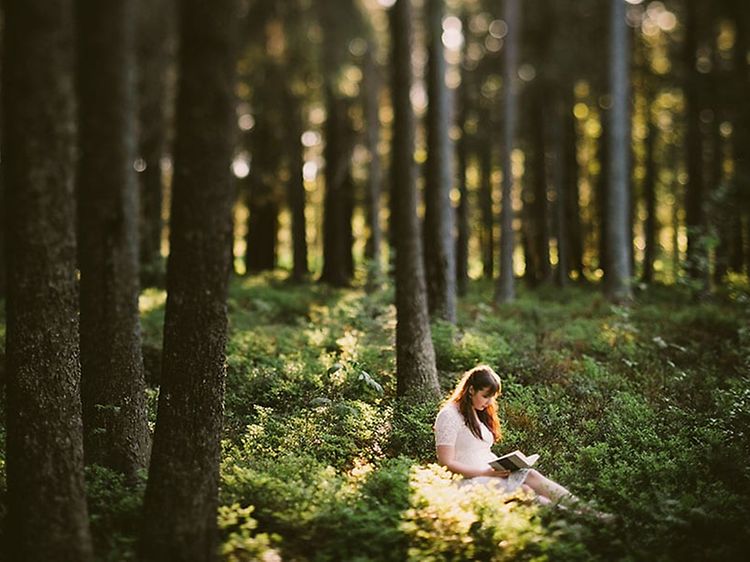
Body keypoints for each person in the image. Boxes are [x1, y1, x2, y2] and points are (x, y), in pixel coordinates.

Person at [434, 364, 575, 505]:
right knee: (524, 491)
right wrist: (484, 473)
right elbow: (445, 463)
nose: (489, 402)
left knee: (531, 474)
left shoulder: (475, 412)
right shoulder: (449, 415)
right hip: (469, 481)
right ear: (471, 390)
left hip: (491, 474)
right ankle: (577, 518)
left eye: (492, 397)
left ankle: (584, 511)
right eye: (485, 396)